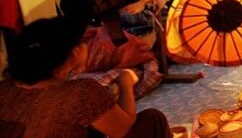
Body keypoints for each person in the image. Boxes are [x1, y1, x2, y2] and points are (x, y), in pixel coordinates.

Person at [0, 17, 171, 138]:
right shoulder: (81, 92)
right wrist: (125, 81)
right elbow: (122, 127)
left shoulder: (4, 89)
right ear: (74, 51)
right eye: (83, 41)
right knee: (152, 120)